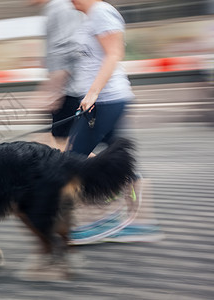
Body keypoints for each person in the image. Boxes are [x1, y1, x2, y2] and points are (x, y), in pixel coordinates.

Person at [67, 0, 163, 243]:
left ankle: (89, 221)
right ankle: (139, 222)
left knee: (72, 161)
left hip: (106, 101)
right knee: (119, 161)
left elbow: (114, 53)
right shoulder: (89, 17)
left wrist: (93, 94)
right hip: (102, 101)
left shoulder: (101, 12)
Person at [29, 0, 84, 151]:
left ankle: (125, 174)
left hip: (69, 91)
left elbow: (65, 50)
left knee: (62, 147)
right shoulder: (57, 7)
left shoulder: (58, 8)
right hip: (68, 89)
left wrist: (54, 90)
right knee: (62, 145)